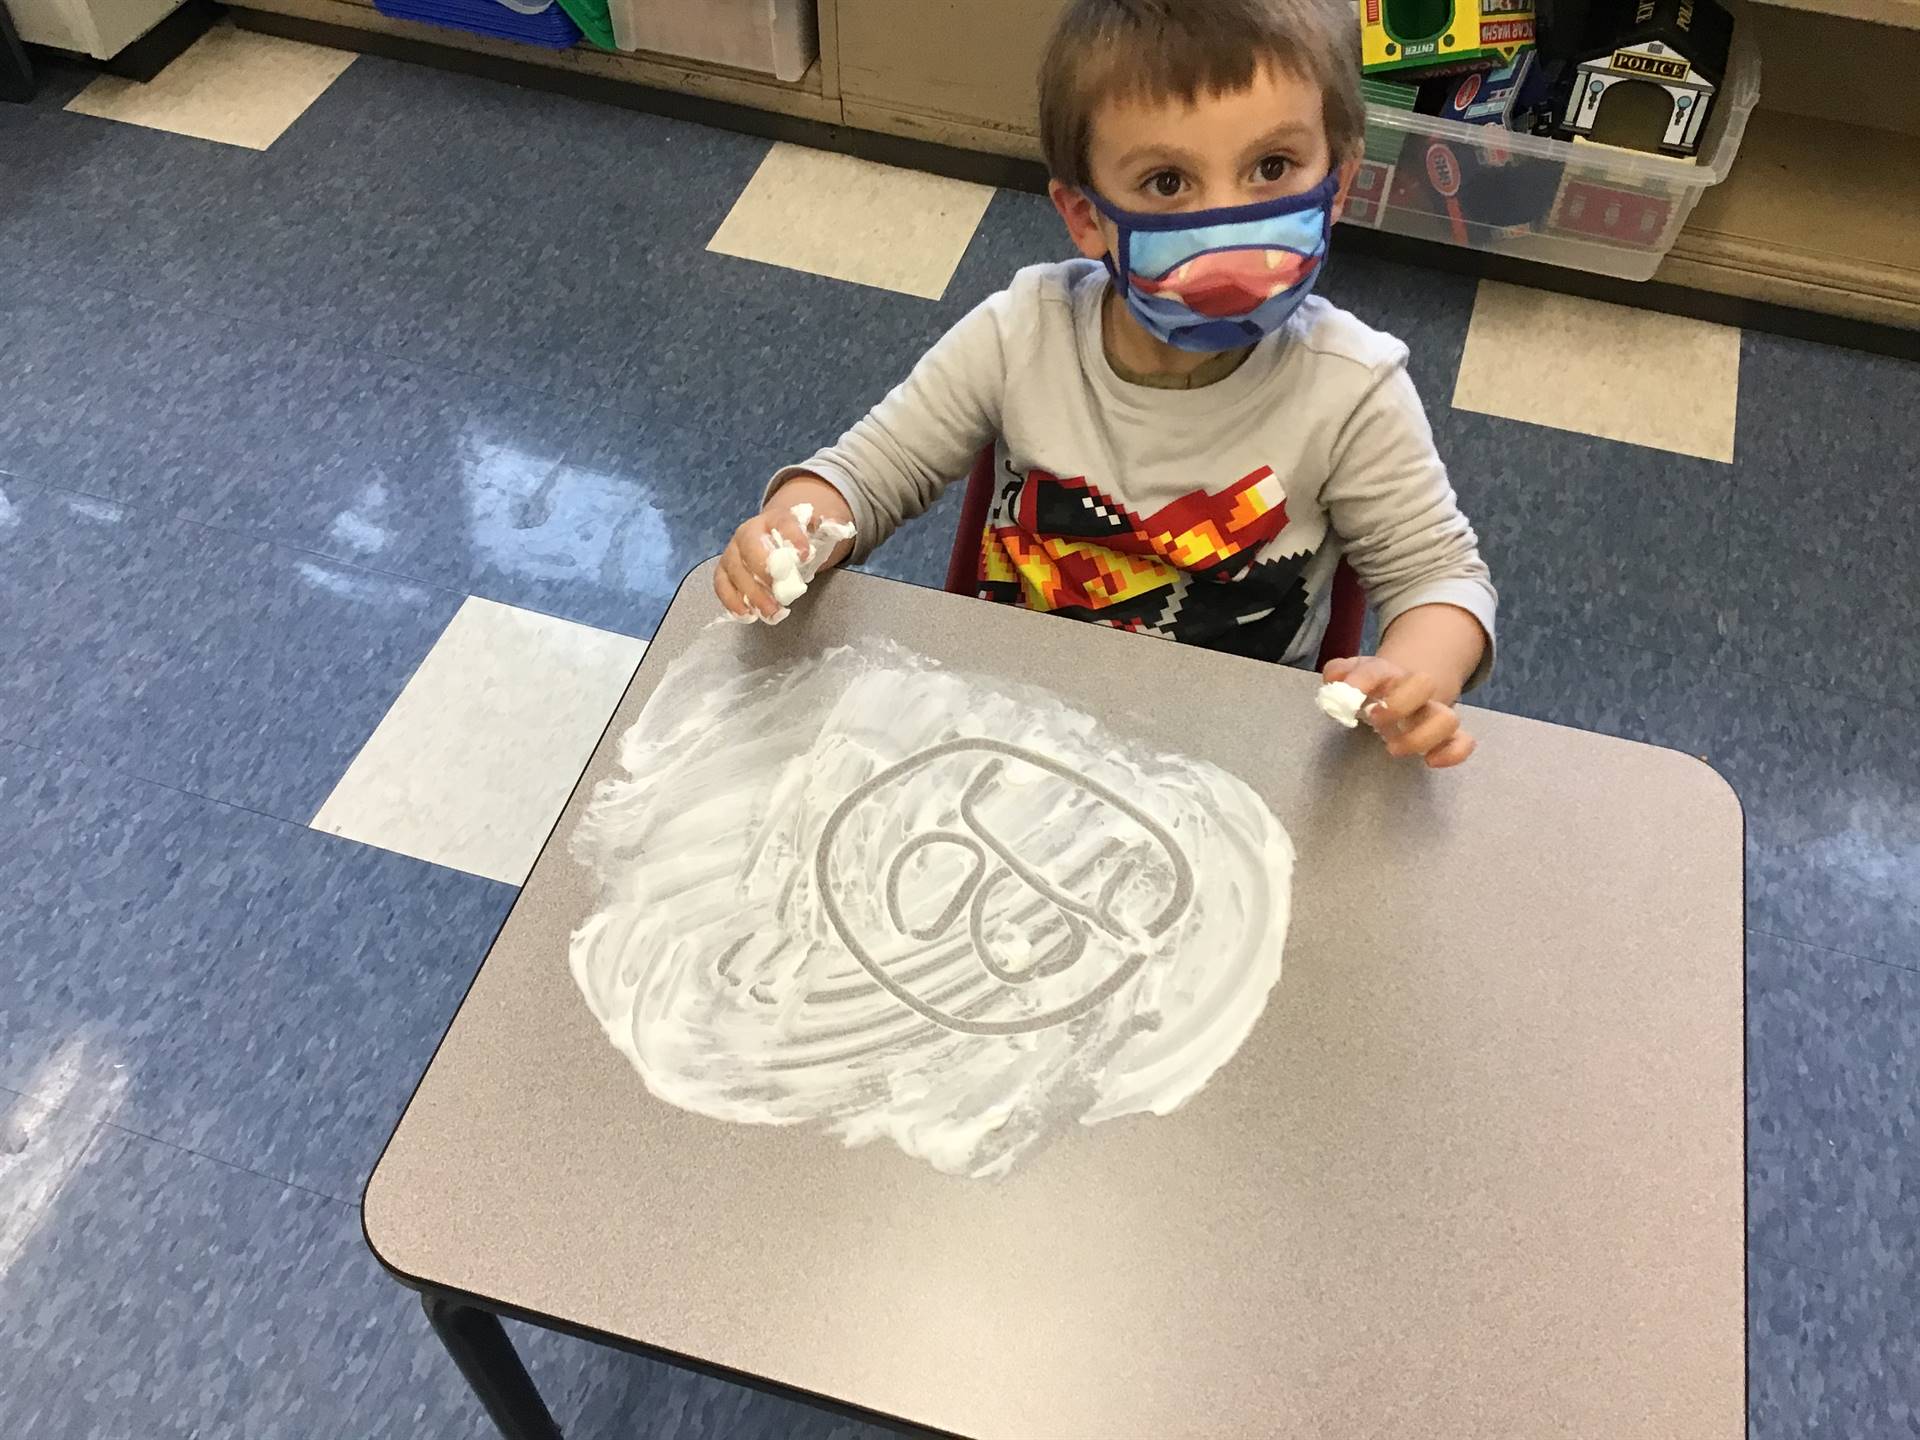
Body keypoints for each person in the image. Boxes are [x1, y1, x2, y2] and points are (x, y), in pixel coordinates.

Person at [716, 0, 1495, 769]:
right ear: (1087, 217)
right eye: (1166, 182)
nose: (1224, 226)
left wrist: (1416, 674)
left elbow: (1441, 580)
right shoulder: (1022, 332)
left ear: (1339, 183)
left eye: (1271, 168)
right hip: (1000, 722)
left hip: (1225, 756)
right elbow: (867, 476)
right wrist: (794, 530)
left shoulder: (1352, 390)